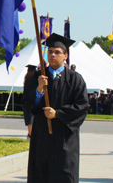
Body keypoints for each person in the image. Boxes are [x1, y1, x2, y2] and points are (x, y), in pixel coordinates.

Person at [25, 33, 88, 183]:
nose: (53, 55)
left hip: (64, 136)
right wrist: (39, 90)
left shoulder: (75, 79)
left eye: (57, 52)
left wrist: (58, 113)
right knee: (41, 172)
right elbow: (29, 105)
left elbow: (82, 106)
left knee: (64, 172)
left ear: (65, 56)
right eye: (50, 51)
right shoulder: (38, 76)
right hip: (42, 134)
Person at [21, 64, 37, 139]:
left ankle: (29, 133)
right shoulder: (35, 79)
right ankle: (31, 134)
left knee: (29, 118)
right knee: (32, 118)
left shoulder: (26, 78)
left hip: (26, 101)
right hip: (32, 100)